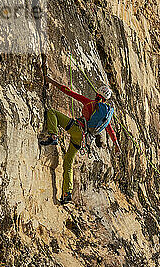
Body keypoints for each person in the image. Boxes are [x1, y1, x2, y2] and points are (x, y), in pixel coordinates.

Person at [40, 75, 120, 204]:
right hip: (83, 140)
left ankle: (53, 136)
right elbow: (110, 130)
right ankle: (67, 193)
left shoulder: (90, 102)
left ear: (97, 94)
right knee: (68, 162)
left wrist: (50, 81)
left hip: (77, 129)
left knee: (52, 113)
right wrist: (116, 144)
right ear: (106, 99)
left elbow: (69, 92)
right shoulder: (107, 114)